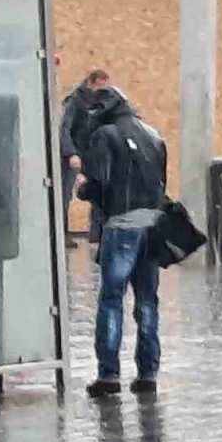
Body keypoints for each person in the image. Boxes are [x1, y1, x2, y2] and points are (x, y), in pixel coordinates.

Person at [76, 87, 168, 398]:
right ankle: (148, 373)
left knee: (112, 299)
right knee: (147, 300)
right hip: (153, 225)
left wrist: (83, 188)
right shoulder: (154, 135)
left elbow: (100, 185)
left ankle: (109, 374)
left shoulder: (106, 135)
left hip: (122, 226)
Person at [61, 69, 111, 247]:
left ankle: (96, 234)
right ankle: (62, 234)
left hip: (91, 155)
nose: (103, 90)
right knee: (65, 196)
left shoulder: (101, 102)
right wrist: (71, 153)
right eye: (100, 85)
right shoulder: (75, 101)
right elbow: (65, 128)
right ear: (91, 82)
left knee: (98, 192)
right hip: (74, 155)